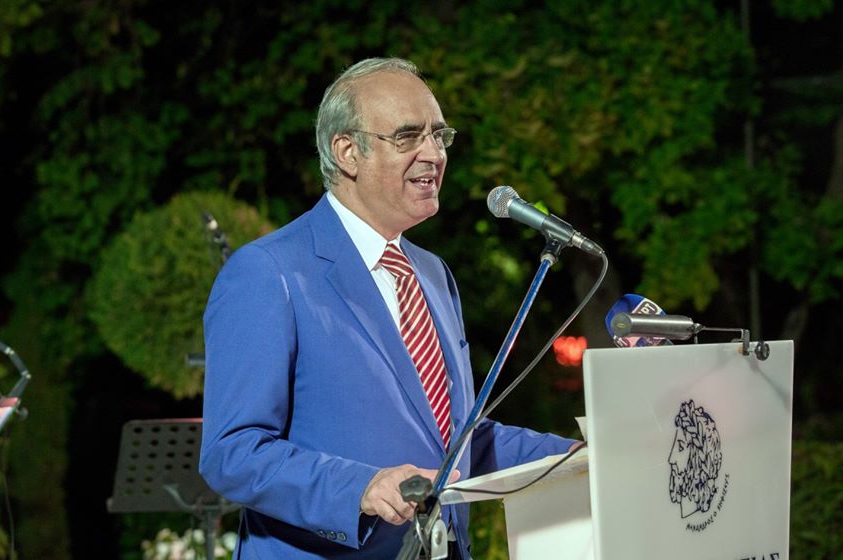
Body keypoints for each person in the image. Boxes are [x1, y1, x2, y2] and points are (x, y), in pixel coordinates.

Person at [200, 57, 576, 559]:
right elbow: (232, 452)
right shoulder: (268, 272)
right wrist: (359, 487)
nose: (434, 153)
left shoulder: (433, 274)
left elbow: (458, 441)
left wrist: (576, 458)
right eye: (408, 137)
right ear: (347, 152)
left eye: (439, 135)